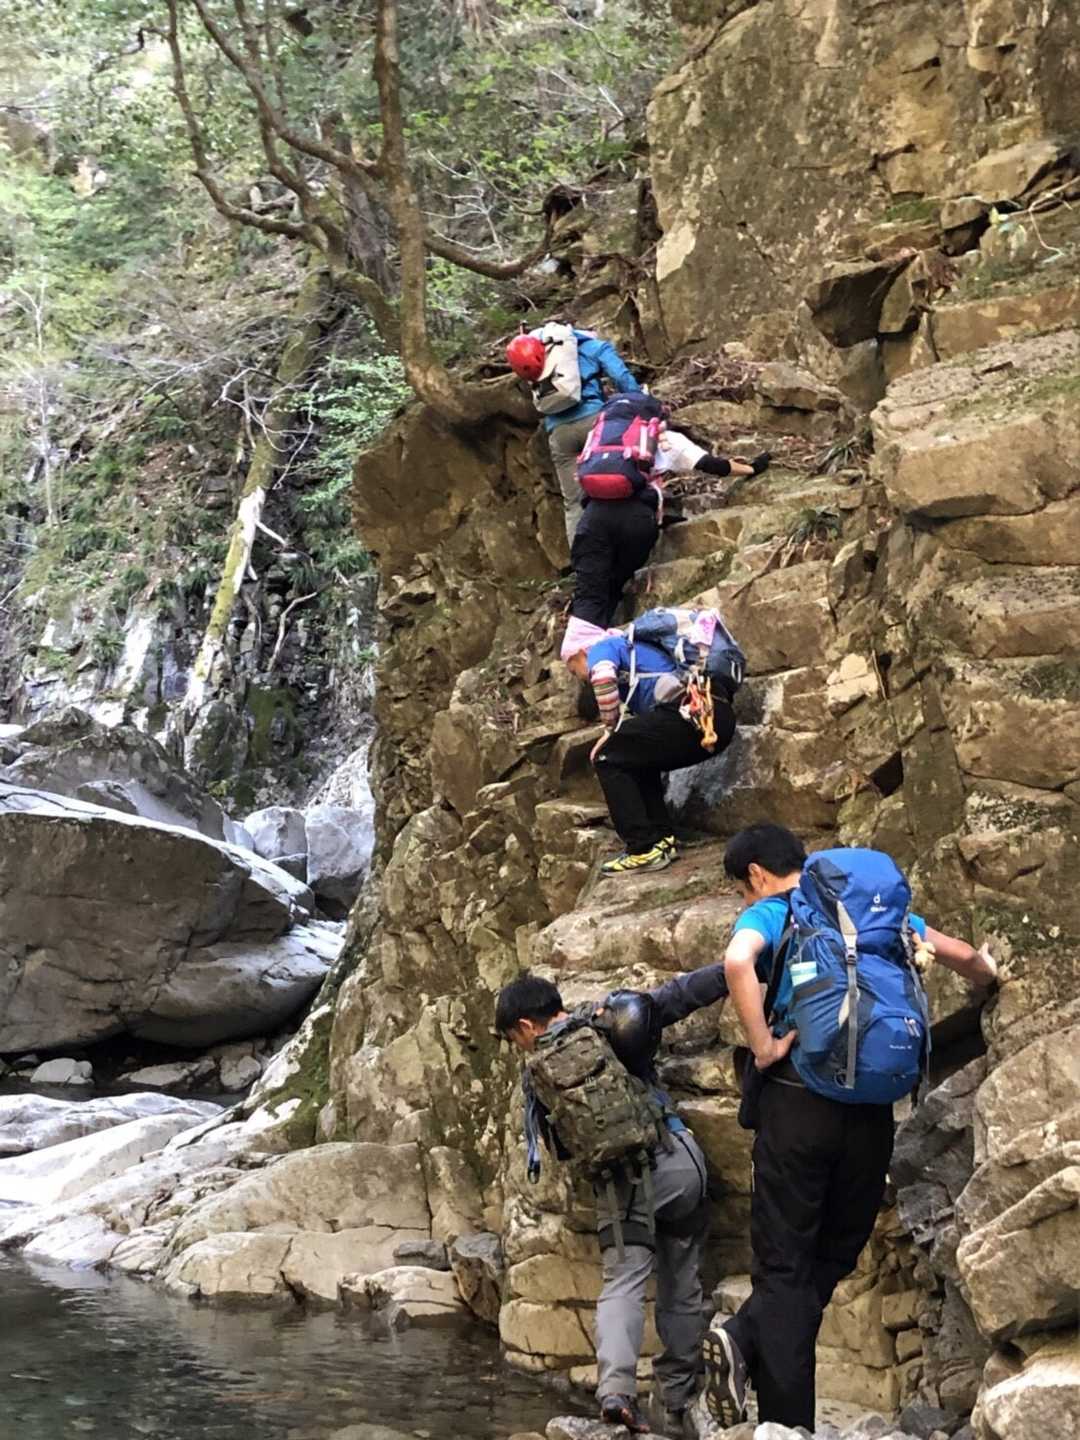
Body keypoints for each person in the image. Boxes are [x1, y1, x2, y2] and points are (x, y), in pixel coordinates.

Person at [702, 824, 999, 1432]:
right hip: (871, 1111)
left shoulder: (775, 912)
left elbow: (737, 962)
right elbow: (968, 959)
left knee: (784, 1271)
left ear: (755, 873)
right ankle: (749, 1337)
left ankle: (783, 1418)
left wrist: (762, 1046)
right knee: (835, 1251)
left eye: (741, 888)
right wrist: (993, 976)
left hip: (797, 1104)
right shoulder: (870, 914)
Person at [495, 970, 731, 1433]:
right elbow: (678, 997)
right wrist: (738, 968)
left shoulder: (538, 1072)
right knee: (682, 1277)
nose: (517, 1047)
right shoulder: (610, 1022)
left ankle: (617, 1392)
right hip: (679, 1163)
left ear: (525, 1026)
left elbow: (563, 1149)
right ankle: (677, 1396)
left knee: (623, 1281)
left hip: (622, 1187)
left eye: (511, 1038)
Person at [560, 616, 735, 877]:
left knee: (608, 755)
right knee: (635, 757)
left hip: (695, 714)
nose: (580, 677)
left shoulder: (603, 647)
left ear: (581, 653)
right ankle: (661, 839)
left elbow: (603, 678)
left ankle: (642, 848)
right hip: (715, 716)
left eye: (574, 670)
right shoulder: (633, 655)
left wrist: (609, 731)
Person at [570, 426, 770, 629]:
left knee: (589, 592)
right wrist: (753, 468)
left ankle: (584, 640)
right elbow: (711, 464)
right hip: (638, 520)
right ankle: (605, 637)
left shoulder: (600, 437)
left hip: (593, 517)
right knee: (615, 581)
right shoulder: (664, 438)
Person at [506, 326, 641, 546]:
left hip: (559, 434)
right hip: (595, 426)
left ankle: (582, 557)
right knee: (619, 482)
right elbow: (621, 377)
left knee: (574, 503)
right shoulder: (593, 347)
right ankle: (631, 546)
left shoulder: (543, 352)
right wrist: (641, 403)